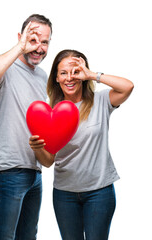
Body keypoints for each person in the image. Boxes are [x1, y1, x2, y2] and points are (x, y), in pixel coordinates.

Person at [29, 49, 134, 240]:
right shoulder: (48, 115)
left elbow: (127, 87)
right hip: (64, 195)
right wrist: (37, 149)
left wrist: (92, 75)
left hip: (99, 192)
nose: (70, 78)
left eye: (75, 72)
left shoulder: (100, 101)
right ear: (56, 79)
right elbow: (48, 161)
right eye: (63, 73)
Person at [0, 14, 52, 240]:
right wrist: (20, 47)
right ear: (21, 38)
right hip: (8, 171)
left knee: (28, 237)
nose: (39, 48)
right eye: (33, 39)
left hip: (35, 173)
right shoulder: (6, 68)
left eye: (45, 42)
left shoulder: (42, 77)